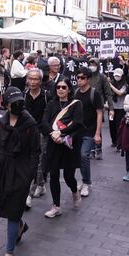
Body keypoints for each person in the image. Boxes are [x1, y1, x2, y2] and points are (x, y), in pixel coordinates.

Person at [0, 87, 39, 256]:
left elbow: (36, 152)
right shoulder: (1, 121)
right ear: (6, 104)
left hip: (20, 170)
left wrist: (29, 174)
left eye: (21, 101)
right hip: (2, 168)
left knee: (12, 210)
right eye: (14, 102)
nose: (18, 104)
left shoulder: (29, 124)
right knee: (7, 204)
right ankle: (20, 225)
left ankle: (9, 253)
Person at [42, 78, 84, 218]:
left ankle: (74, 191)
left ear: (69, 89)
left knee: (68, 176)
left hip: (69, 144)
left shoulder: (76, 104)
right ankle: (56, 206)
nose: (60, 89)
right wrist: (53, 134)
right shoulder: (51, 104)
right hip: (54, 143)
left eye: (64, 87)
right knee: (53, 175)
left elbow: (78, 123)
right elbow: (44, 122)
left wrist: (61, 133)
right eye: (58, 87)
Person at [72, 67, 104, 196]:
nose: (79, 80)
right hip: (76, 132)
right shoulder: (75, 93)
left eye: (82, 78)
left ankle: (86, 183)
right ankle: (84, 180)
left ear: (89, 79)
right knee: (78, 157)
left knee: (84, 155)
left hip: (89, 131)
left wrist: (97, 133)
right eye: (78, 77)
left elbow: (99, 114)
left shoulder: (94, 93)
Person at [25, 69, 49, 207]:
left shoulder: (46, 96)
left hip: (41, 133)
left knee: (38, 162)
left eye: (36, 79)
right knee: (27, 161)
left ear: (40, 81)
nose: (33, 82)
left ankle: (29, 193)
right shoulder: (23, 95)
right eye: (31, 79)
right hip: (26, 133)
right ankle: (41, 184)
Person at [109, 68, 128, 152]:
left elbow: (120, 93)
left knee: (119, 126)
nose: (117, 77)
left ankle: (119, 143)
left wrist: (110, 86)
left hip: (120, 107)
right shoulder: (111, 83)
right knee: (111, 125)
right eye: (115, 75)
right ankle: (114, 141)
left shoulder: (125, 84)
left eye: (118, 76)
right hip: (112, 108)